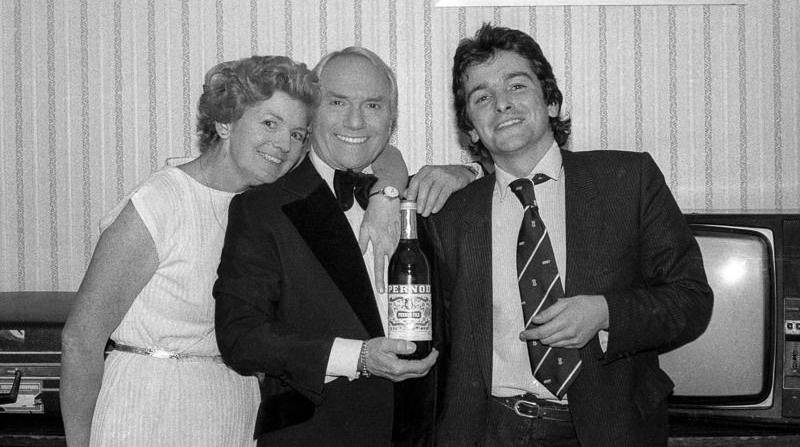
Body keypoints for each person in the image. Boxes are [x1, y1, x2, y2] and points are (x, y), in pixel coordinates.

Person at [60, 55, 410, 446]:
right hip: (148, 403)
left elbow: (373, 150)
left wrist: (389, 188)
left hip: (232, 404)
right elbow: (80, 339)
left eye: (297, 133)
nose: (283, 144)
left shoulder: (264, 202)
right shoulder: (160, 202)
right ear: (225, 122)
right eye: (269, 123)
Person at [426, 24, 714, 446]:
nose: (502, 104)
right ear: (471, 128)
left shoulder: (627, 181)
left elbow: (691, 299)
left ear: (552, 101)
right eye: (481, 97)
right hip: (489, 430)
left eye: (517, 86)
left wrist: (605, 313)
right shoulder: (449, 215)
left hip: (607, 428)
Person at [214, 46, 472, 446]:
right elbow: (240, 337)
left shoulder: (424, 198)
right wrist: (359, 357)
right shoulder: (263, 208)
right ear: (313, 112)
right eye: (337, 102)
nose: (356, 120)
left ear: (391, 120)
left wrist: (467, 170)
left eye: (373, 105)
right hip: (315, 434)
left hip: (421, 435)